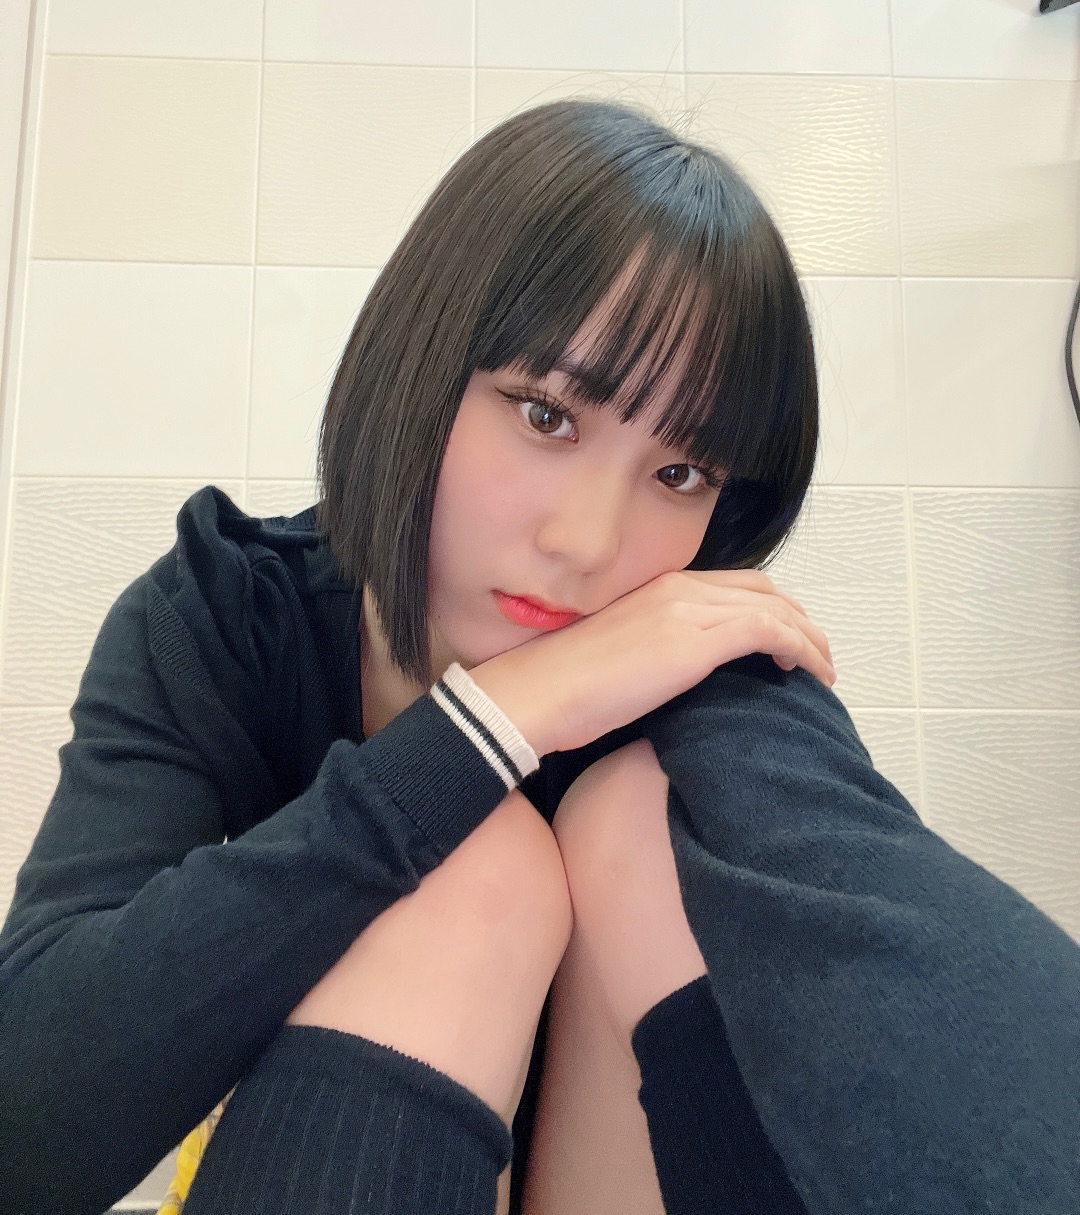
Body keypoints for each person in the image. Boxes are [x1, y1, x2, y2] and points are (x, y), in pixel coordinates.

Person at [0, 98, 1076, 1215]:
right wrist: (483, 731)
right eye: (547, 415)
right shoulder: (227, 617)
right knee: (481, 869)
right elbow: (25, 1126)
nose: (588, 543)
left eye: (680, 475)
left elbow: (876, 910)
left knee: (640, 818)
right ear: (418, 366)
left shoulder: (708, 660)